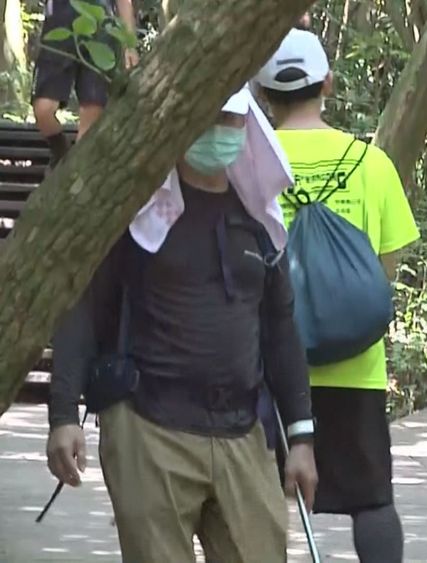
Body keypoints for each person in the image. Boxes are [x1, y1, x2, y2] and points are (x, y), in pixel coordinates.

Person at [46, 87, 318, 562]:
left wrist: (301, 437)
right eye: (206, 116)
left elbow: (280, 329)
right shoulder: (137, 212)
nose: (218, 131)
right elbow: (84, 307)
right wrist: (64, 415)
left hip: (242, 431)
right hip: (148, 428)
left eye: (230, 121)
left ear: (246, 127)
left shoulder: (259, 219)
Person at [256, 29, 419, 563]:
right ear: (328, 82)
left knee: (257, 503)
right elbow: (384, 271)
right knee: (371, 501)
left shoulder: (250, 160)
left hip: (265, 369)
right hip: (356, 367)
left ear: (263, 93)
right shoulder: (370, 164)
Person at [34, 0, 139, 167]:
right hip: (59, 25)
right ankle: (60, 153)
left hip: (101, 31)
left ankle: (73, 173)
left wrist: (130, 45)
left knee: (92, 113)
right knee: (43, 109)